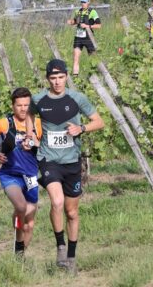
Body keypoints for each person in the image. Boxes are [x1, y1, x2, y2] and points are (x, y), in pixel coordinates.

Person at [28, 59, 104, 275]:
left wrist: (82, 128)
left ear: (66, 77)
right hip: (49, 159)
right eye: (53, 78)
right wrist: (32, 132)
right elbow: (30, 115)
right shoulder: (39, 99)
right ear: (47, 79)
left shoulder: (77, 98)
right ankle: (60, 246)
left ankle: (71, 257)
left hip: (72, 162)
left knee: (72, 212)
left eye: (61, 77)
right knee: (57, 201)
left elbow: (99, 121)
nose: (57, 82)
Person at [0, 88, 43, 259]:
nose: (23, 109)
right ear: (13, 106)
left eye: (26, 105)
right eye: (19, 105)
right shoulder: (4, 124)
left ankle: (19, 257)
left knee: (28, 224)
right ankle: (18, 240)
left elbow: (46, 149)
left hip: (30, 175)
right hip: (10, 175)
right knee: (21, 206)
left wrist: (36, 143)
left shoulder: (38, 123)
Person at [66, 0, 101, 76]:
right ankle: (75, 78)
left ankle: (96, 76)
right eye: (81, 2)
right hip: (78, 38)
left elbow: (99, 25)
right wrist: (71, 22)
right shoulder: (77, 11)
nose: (83, 4)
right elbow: (75, 22)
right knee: (75, 58)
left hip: (88, 38)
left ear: (88, 2)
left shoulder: (93, 12)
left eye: (84, 2)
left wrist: (87, 26)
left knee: (93, 59)